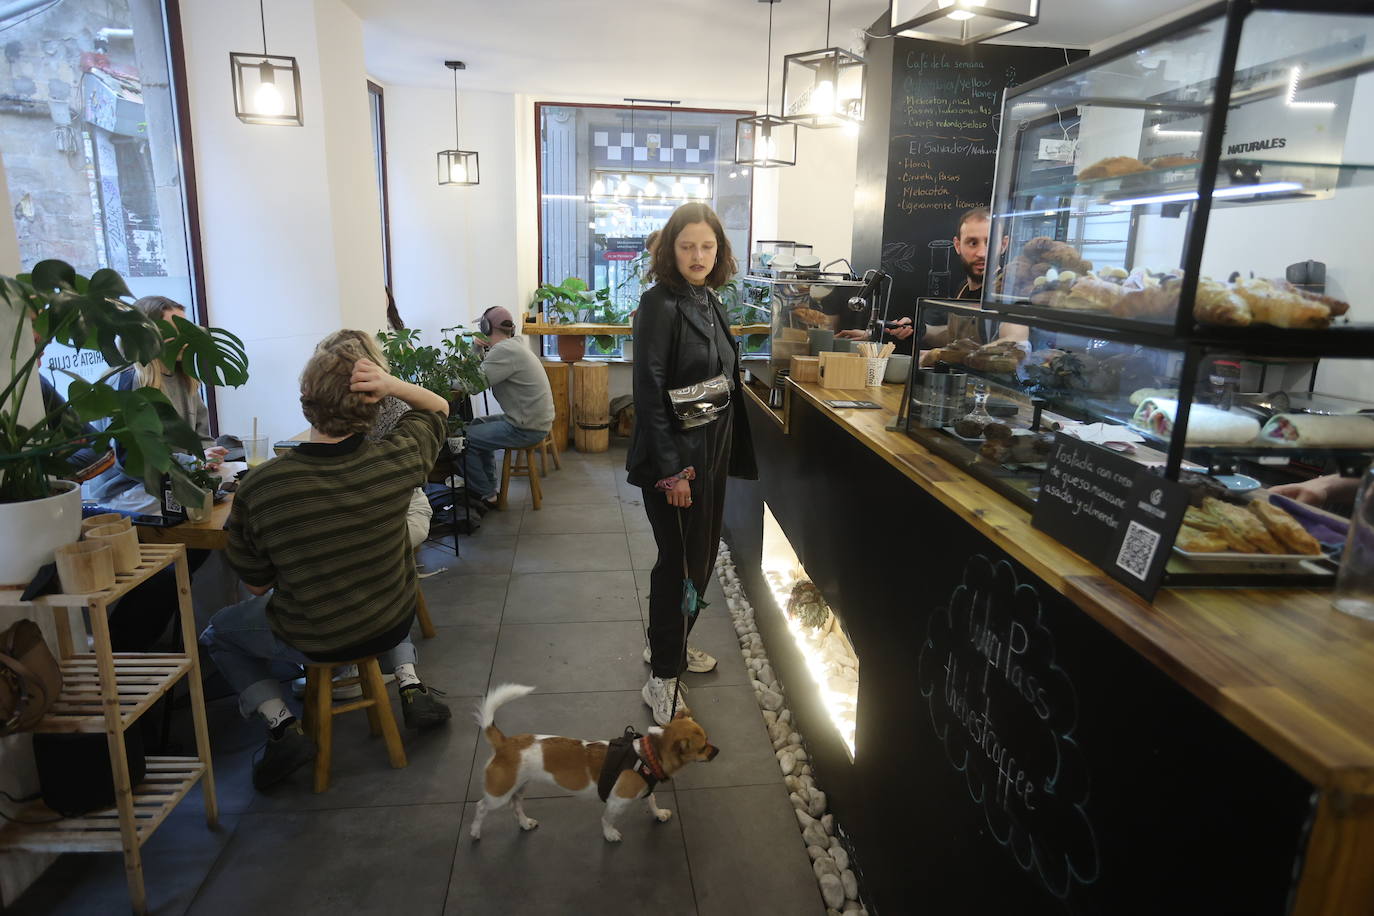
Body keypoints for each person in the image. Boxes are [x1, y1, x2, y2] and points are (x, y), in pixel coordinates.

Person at [199, 334, 452, 790]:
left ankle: (281, 725)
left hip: (315, 637)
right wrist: (391, 384)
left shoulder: (263, 488)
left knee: (218, 633)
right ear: (374, 403)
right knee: (375, 579)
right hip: (392, 620)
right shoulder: (398, 460)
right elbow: (438, 408)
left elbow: (256, 585)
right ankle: (409, 679)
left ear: (305, 399)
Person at [627, 202, 758, 726]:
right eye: (687, 247)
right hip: (678, 461)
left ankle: (670, 645)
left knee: (699, 560)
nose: (698, 256)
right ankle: (662, 677)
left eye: (707, 246)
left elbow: (715, 377)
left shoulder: (707, 299)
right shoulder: (658, 304)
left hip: (711, 452)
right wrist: (672, 471)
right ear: (670, 250)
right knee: (680, 563)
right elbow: (649, 392)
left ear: (719, 250)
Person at [461, 306, 555, 513]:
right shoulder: (513, 346)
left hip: (526, 428)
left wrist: (474, 349)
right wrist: (479, 350)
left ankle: (487, 494)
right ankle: (490, 488)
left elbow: (470, 386)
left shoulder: (504, 351)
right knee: (476, 424)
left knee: (462, 441)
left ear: (485, 327)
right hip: (532, 421)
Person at [918, 207, 1025, 350]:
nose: (981, 253)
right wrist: (922, 330)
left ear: (1003, 245)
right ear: (957, 246)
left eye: (990, 242)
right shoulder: (963, 288)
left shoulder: (1009, 291)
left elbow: (1014, 341)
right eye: (973, 243)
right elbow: (955, 337)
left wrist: (946, 355)